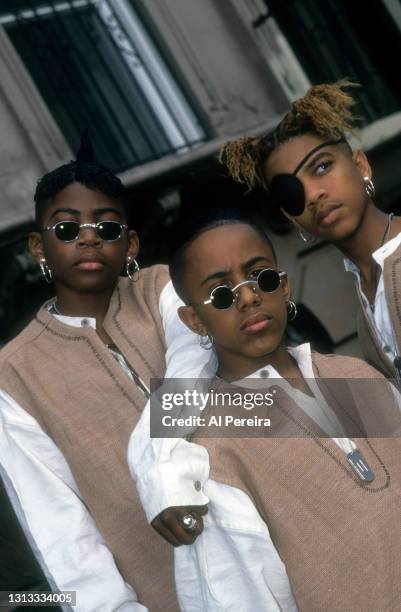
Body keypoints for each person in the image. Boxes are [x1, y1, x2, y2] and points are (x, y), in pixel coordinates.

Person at [130, 209, 401, 611]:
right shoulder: (212, 451)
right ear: (193, 320)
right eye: (221, 293)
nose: (249, 296)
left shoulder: (356, 376)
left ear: (284, 286)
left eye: (262, 276)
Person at [0, 148, 212, 611]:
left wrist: (163, 465)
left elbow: (195, 366)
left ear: (130, 244)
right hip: (163, 589)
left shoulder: (163, 289)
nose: (90, 239)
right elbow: (60, 527)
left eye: (108, 228)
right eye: (68, 228)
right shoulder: (12, 376)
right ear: (39, 247)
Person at [219, 80, 401, 381]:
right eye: (292, 191)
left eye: (321, 167)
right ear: (291, 216)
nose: (314, 194)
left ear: (360, 166)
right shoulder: (365, 293)